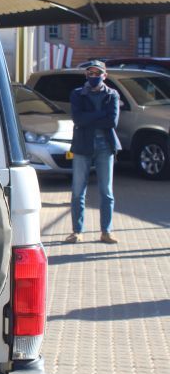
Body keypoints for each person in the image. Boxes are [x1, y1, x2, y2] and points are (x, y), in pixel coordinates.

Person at [64, 60, 122, 244]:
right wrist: (100, 114)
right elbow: (78, 119)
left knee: (106, 191)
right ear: (86, 75)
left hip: (105, 147)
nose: (94, 76)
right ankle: (77, 231)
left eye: (98, 73)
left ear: (105, 75)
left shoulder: (112, 95)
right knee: (78, 191)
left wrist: (90, 118)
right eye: (90, 73)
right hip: (82, 146)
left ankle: (106, 231)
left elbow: (111, 122)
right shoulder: (77, 94)